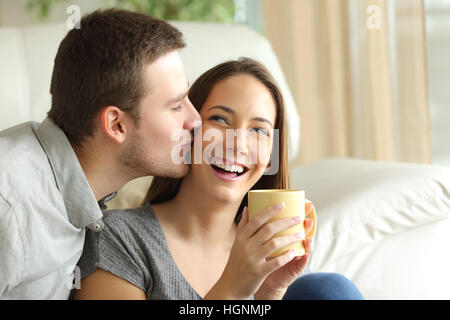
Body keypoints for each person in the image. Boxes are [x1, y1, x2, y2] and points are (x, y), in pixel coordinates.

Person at [73, 58, 363, 300]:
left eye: (259, 131)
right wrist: (233, 289)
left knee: (330, 290)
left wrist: (270, 295)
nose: (238, 144)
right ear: (190, 131)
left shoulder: (270, 256)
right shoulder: (121, 238)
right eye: (221, 120)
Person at [0, 9, 200, 299]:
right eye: (176, 105)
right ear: (116, 124)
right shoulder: (11, 206)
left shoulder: (85, 202)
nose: (195, 120)